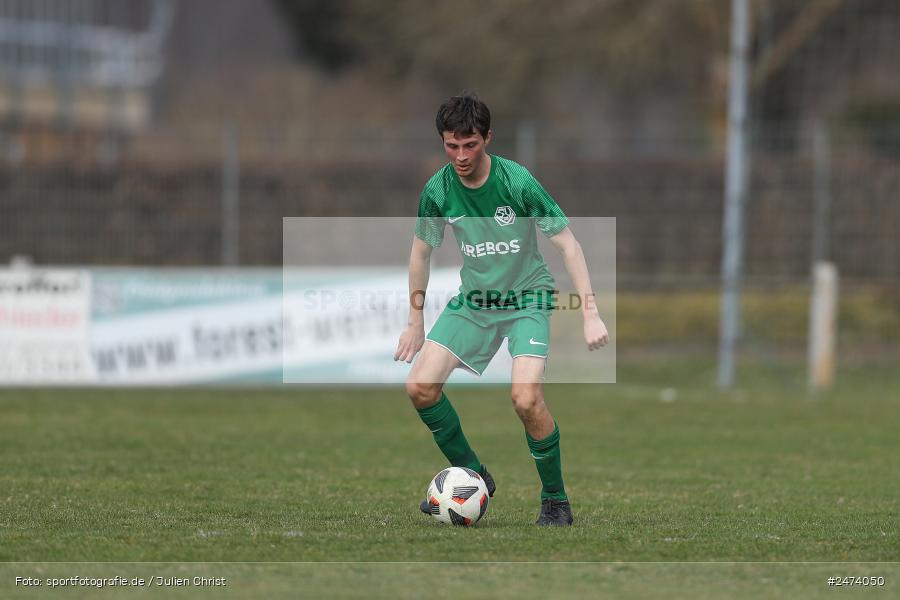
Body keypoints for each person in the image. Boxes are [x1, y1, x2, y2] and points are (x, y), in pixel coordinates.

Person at [394, 93, 608, 526]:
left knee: (525, 398)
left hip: (527, 299)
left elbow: (568, 245)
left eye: (470, 144)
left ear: (487, 138)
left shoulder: (517, 182)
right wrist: (414, 320)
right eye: (452, 146)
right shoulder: (438, 191)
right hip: (475, 302)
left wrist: (590, 312)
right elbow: (420, 254)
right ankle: (474, 475)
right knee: (419, 386)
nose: (461, 156)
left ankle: (555, 501)